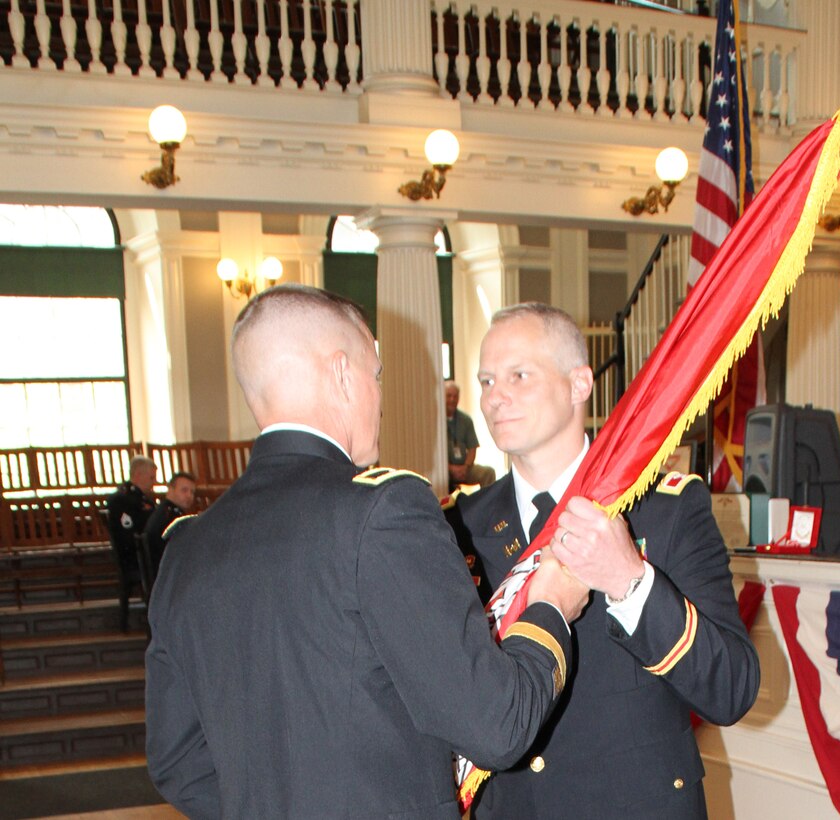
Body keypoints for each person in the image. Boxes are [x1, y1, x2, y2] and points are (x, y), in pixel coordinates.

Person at [145, 284, 588, 819]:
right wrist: (550, 609)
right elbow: (497, 726)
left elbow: (177, 760)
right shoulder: (381, 511)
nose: (380, 396)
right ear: (340, 374)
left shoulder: (189, 544)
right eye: (375, 376)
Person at [446, 303, 760, 818]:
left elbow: (732, 689)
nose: (494, 398)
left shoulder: (665, 510)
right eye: (485, 381)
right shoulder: (457, 524)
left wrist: (632, 582)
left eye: (518, 375)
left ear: (579, 385)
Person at [106, 455, 157, 631]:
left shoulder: (144, 499)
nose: (154, 482)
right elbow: (128, 535)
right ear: (138, 475)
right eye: (151, 477)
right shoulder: (122, 500)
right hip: (134, 558)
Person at [143, 471, 197, 580]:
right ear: (170, 489)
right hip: (168, 574)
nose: (189, 495)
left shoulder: (166, 511)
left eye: (192, 492)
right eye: (184, 490)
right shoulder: (170, 517)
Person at [446, 380, 496, 492]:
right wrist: (451, 468)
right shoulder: (436, 421)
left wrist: (465, 467)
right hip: (446, 470)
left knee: (488, 473)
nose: (452, 400)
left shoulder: (466, 420)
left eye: (455, 396)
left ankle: (487, 506)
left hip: (465, 468)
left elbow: (473, 448)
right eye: (449, 396)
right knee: (442, 478)